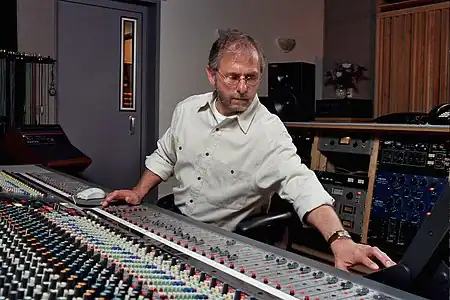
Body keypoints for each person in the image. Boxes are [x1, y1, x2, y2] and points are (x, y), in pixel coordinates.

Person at [102, 29, 396, 272]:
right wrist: (138, 192)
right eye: (233, 77)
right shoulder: (187, 110)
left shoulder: (269, 130)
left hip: (224, 239)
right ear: (212, 74)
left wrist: (339, 238)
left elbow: (300, 181)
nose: (242, 87)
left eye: (251, 77)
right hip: (178, 220)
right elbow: (165, 156)